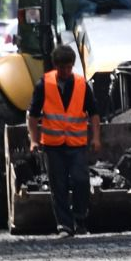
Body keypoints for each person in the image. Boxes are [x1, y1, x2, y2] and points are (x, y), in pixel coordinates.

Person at [27, 44, 102, 238]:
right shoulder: (44, 84)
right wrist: (33, 140)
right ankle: (64, 226)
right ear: (55, 66)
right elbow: (33, 115)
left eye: (69, 67)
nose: (66, 71)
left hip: (76, 145)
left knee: (81, 181)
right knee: (58, 185)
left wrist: (95, 137)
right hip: (53, 146)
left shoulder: (81, 84)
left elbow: (94, 113)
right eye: (62, 68)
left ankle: (80, 220)